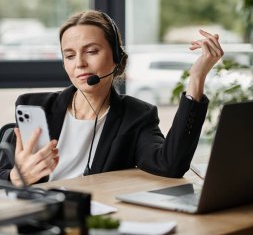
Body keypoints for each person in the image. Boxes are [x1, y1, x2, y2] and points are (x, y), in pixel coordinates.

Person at [0, 10, 223, 186]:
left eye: (91, 51)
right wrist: (15, 177)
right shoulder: (36, 107)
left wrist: (197, 77)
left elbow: (170, 165)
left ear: (117, 57)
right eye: (69, 55)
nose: (79, 63)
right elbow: (5, 172)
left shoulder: (136, 116)